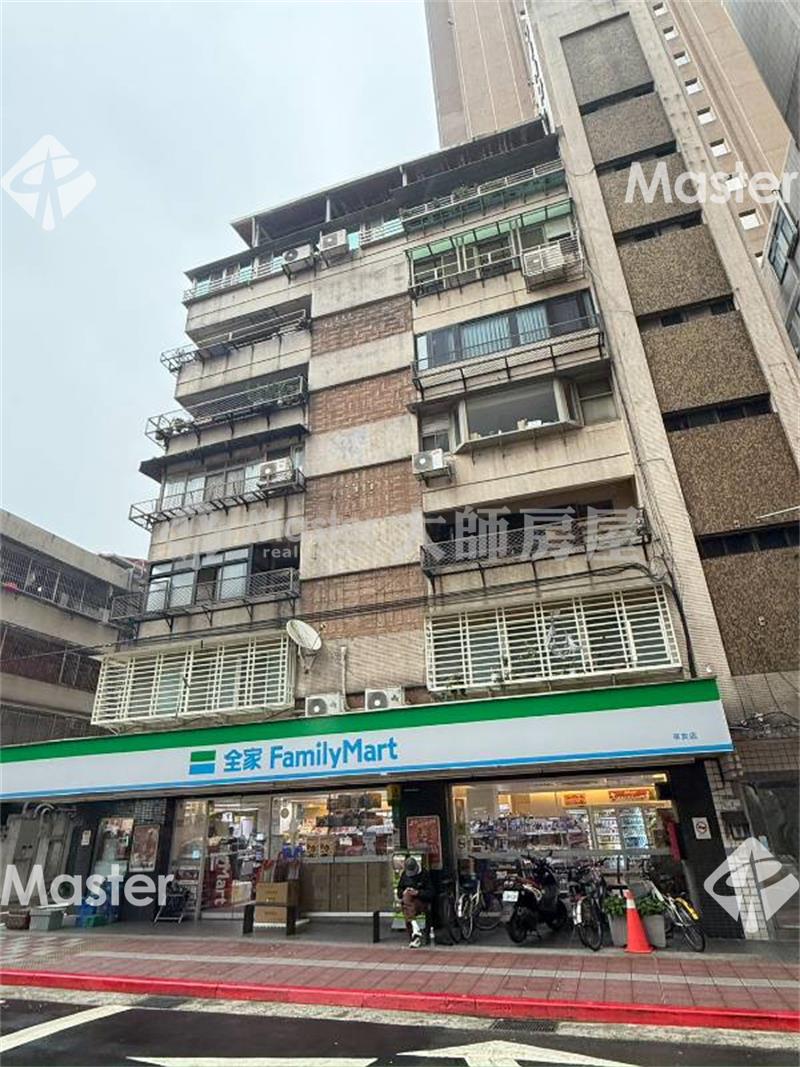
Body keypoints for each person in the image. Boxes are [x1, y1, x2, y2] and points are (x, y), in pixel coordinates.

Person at [397, 855, 433, 947]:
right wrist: (404, 892)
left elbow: (431, 893)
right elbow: (399, 891)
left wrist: (418, 892)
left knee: (406, 908)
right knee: (407, 901)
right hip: (410, 904)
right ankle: (415, 933)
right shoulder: (404, 875)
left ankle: (414, 935)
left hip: (420, 901)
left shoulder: (424, 874)